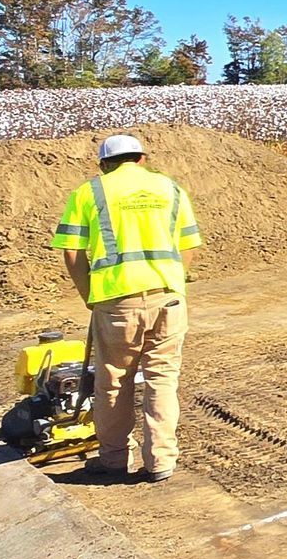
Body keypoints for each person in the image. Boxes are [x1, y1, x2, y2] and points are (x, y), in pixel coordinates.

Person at [51, 135, 203, 484]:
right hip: (169, 298)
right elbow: (188, 246)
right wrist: (173, 281)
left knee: (114, 382)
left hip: (117, 303)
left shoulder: (90, 192)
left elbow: (72, 253)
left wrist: (90, 294)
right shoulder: (170, 188)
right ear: (141, 159)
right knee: (162, 380)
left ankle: (115, 459)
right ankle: (160, 462)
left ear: (104, 164)